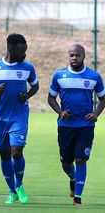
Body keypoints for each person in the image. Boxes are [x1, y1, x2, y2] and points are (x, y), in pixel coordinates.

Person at [0, 33, 39, 204]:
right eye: (22, 52)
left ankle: (19, 186)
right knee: (4, 155)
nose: (25, 55)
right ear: (11, 49)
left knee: (17, 151)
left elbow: (35, 86)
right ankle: (12, 191)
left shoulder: (27, 67)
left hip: (19, 116)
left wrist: (27, 95)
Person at [48, 44, 105, 206]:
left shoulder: (94, 76)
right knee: (66, 163)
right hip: (66, 126)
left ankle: (78, 197)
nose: (74, 58)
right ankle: (72, 178)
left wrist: (95, 114)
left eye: (77, 55)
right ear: (68, 56)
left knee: (80, 159)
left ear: (84, 56)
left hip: (85, 126)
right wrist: (60, 112)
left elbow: (103, 98)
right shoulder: (59, 75)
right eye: (71, 55)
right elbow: (51, 98)